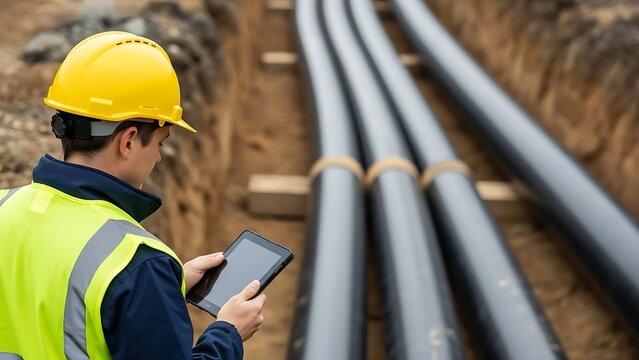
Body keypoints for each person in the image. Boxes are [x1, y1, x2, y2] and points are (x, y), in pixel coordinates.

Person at [0, 31, 265, 359]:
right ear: (127, 141)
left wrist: (168, 288)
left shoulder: (4, 207)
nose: (157, 158)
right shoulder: (137, 263)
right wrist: (229, 333)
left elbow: (49, 301)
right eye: (160, 143)